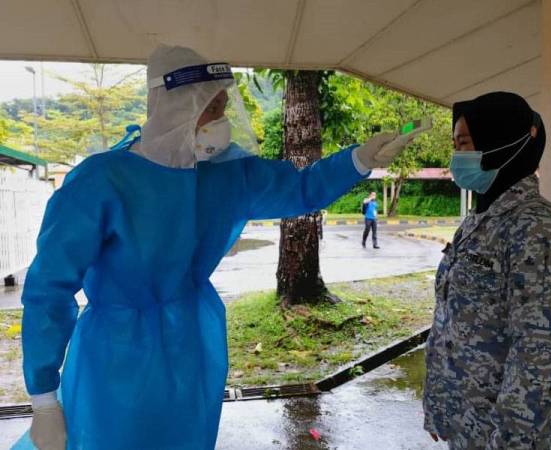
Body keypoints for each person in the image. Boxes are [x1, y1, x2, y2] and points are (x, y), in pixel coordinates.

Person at [14, 45, 415, 450]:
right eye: (211, 107)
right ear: (173, 104)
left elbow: (301, 188)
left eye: (223, 106)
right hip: (114, 357)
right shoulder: (101, 180)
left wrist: (358, 160)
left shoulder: (225, 174)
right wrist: (44, 399)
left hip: (191, 343)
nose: (221, 122)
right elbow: (50, 288)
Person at [423, 91, 551, 449]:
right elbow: (448, 319)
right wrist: (438, 402)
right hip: (464, 423)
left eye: (464, 143)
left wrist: (510, 441)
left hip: (502, 435)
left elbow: (539, 354)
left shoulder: (537, 228)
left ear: (499, 143)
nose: (457, 156)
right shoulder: (477, 221)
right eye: (455, 145)